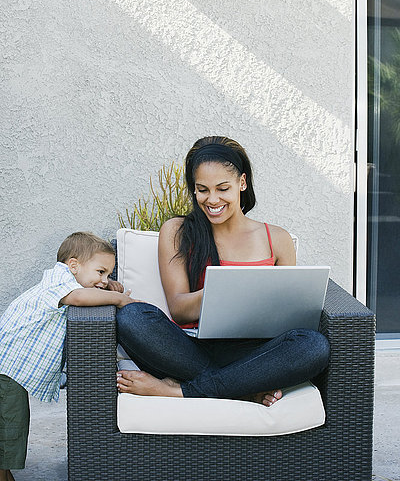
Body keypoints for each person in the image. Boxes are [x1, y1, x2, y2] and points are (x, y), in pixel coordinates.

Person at [116, 136, 330, 407]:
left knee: (313, 345)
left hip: (252, 353)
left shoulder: (277, 238)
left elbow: (289, 316)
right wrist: (223, 292)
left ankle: (180, 391)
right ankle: (242, 389)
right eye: (202, 189)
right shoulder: (178, 231)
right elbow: (179, 308)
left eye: (222, 188)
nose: (212, 199)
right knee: (132, 316)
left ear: (242, 183)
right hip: (190, 348)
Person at [0, 231, 137, 481]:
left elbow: (88, 292)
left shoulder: (68, 280)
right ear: (73, 265)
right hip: (6, 367)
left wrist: (109, 287)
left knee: (10, 421)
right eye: (100, 272)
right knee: (11, 423)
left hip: (10, 367)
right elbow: (81, 297)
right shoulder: (60, 280)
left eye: (108, 275)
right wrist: (119, 299)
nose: (105, 280)